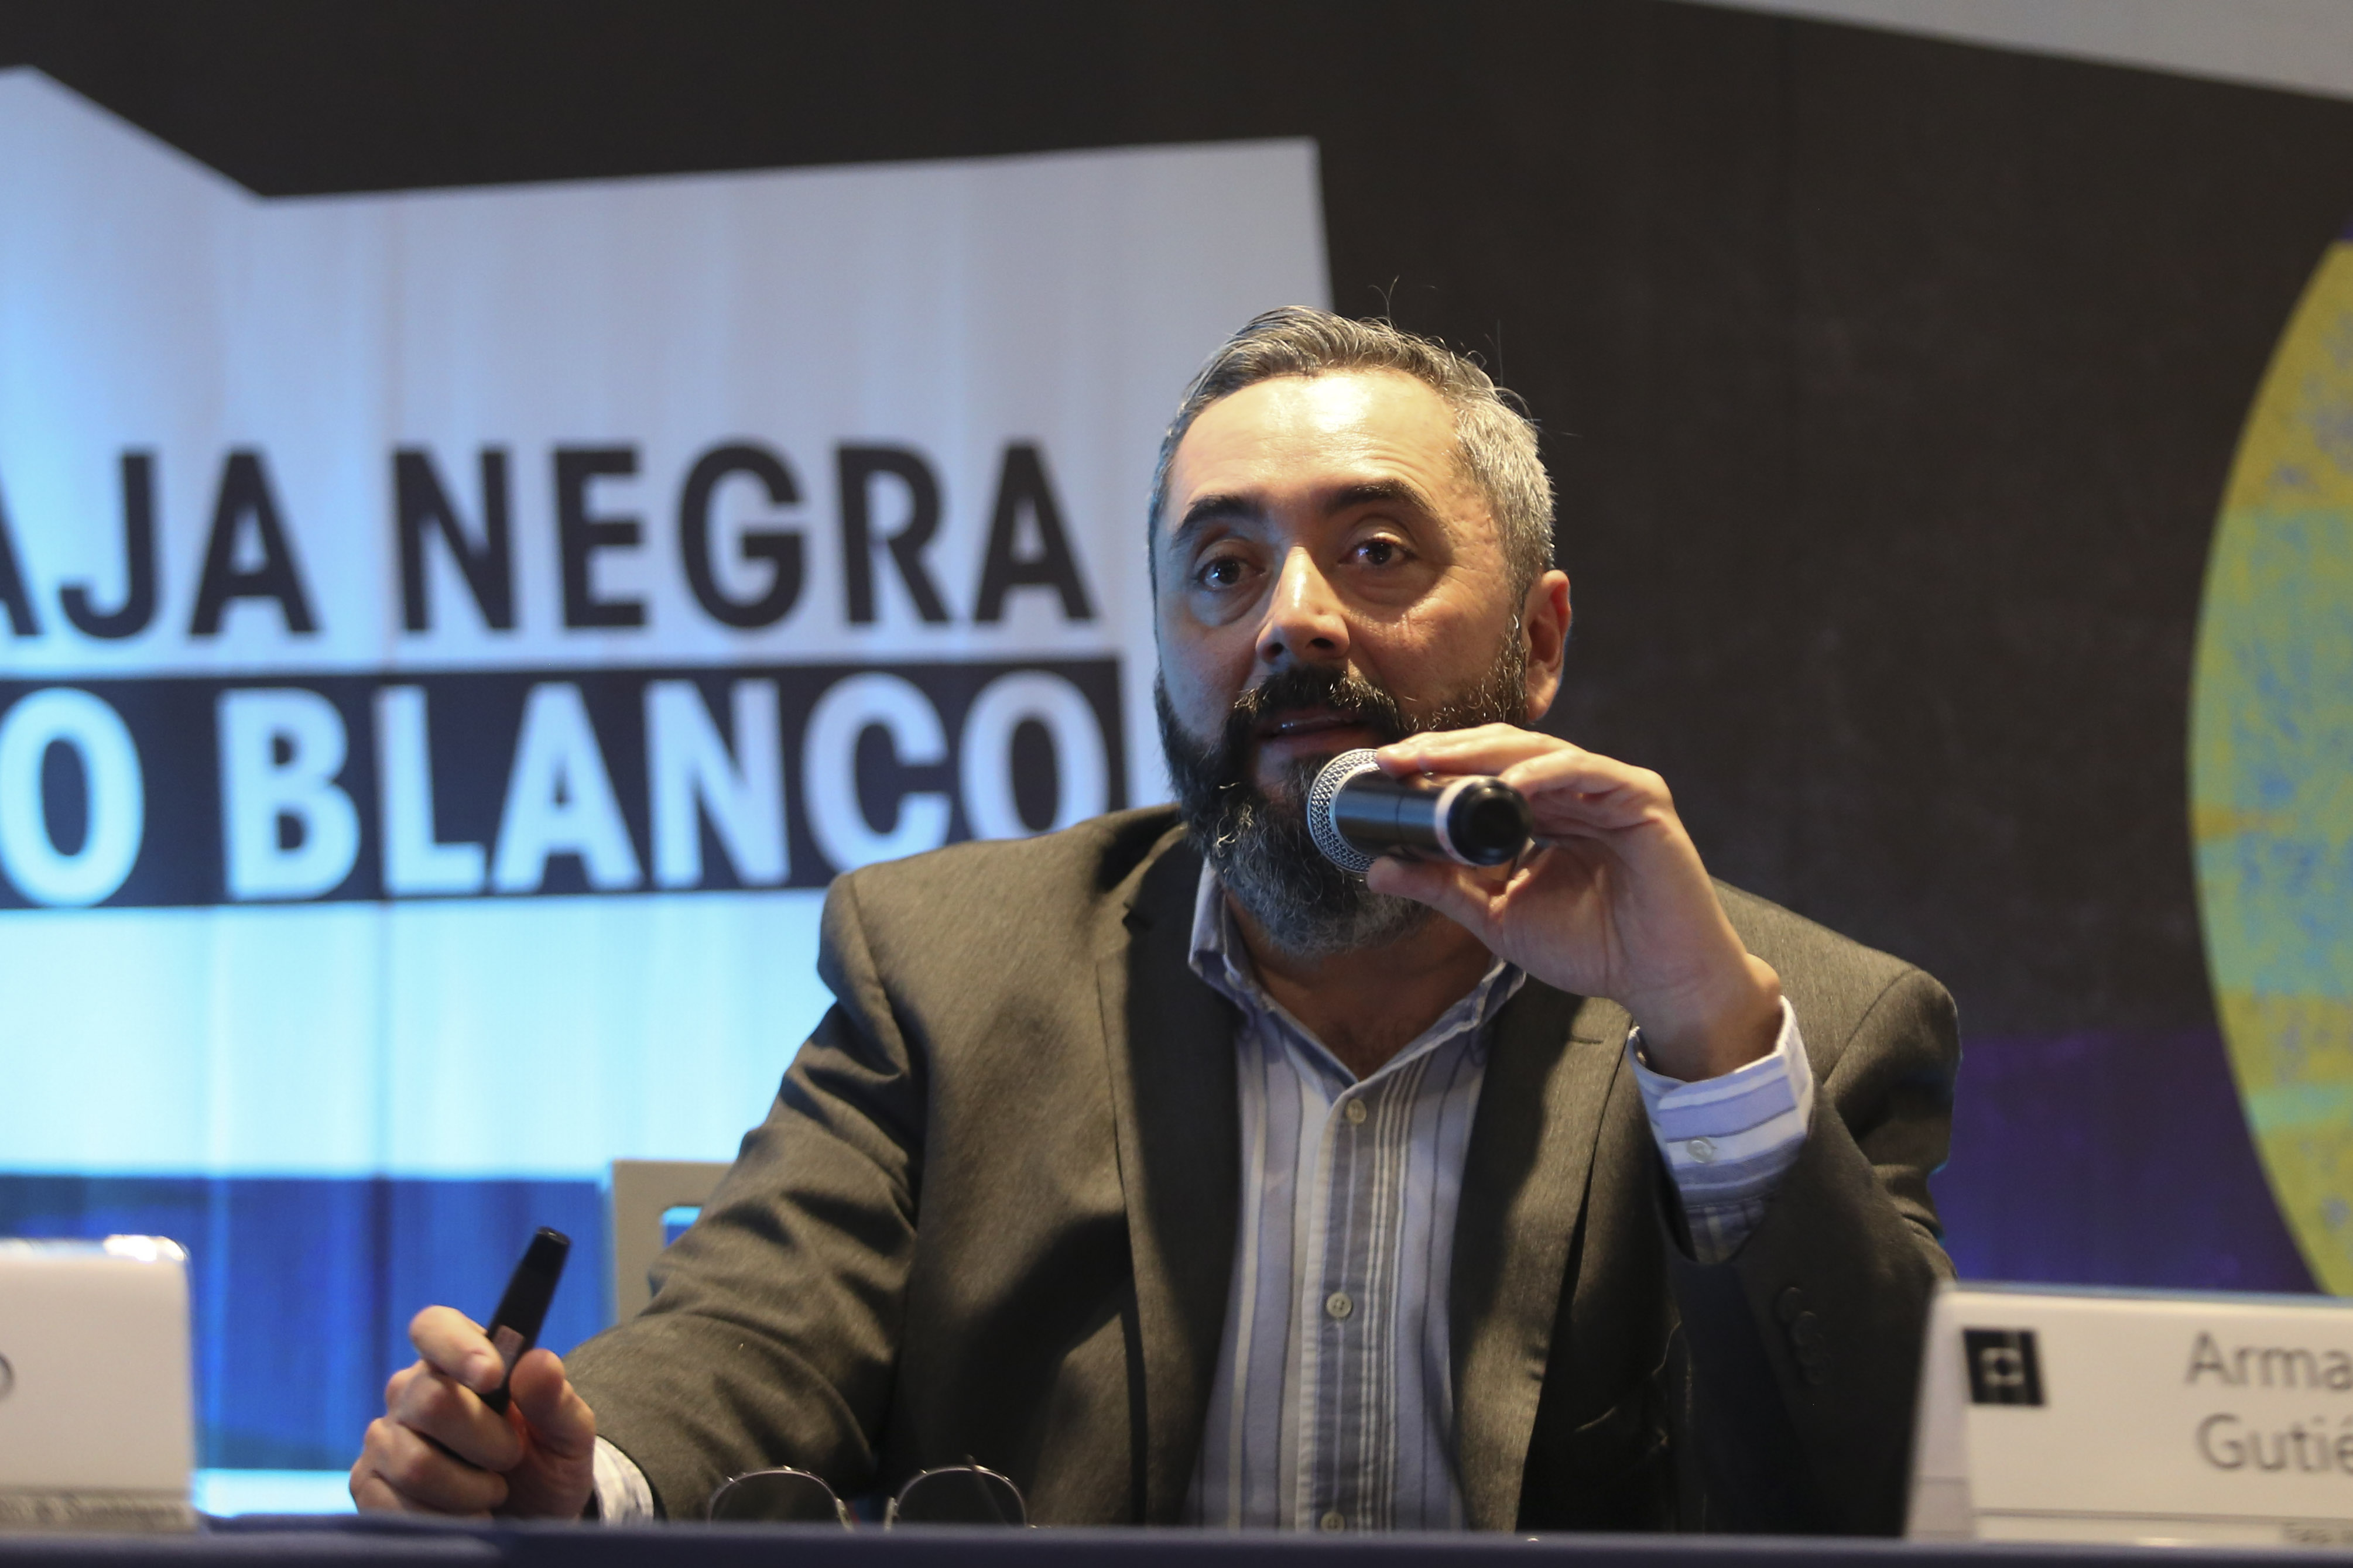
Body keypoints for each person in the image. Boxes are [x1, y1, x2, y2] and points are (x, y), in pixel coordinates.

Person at [350, 307, 1957, 1533]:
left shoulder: (1792, 1023)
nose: (1291, 623)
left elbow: (1883, 1496)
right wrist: (566, 1473)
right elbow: (749, 1343)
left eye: (1374, 552)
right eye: (1223, 571)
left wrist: (1706, 1049)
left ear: (1537, 644)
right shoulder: (953, 971)